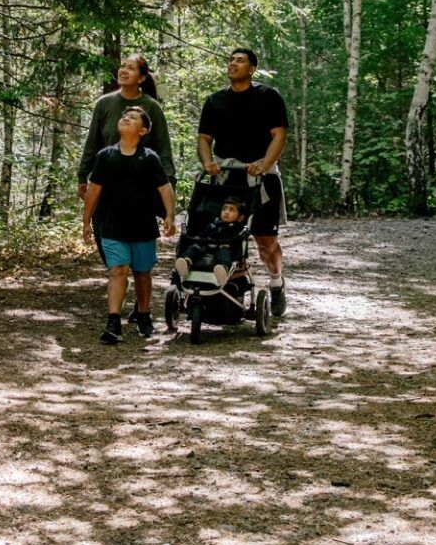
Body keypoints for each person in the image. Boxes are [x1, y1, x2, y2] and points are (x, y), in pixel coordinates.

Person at [196, 47, 290, 317]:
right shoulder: (214, 101)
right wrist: (207, 163)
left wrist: (265, 164)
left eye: (240, 61)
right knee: (223, 235)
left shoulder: (268, 97)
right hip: (226, 175)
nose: (233, 64)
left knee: (265, 240)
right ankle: (229, 293)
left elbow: (279, 135)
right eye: (231, 60)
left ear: (252, 69)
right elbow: (204, 138)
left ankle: (276, 283)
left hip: (262, 175)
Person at [81, 105, 176, 344]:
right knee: (117, 270)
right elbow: (94, 190)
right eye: (124, 115)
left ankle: (144, 314)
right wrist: (86, 221)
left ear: (142, 130)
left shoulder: (150, 158)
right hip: (111, 224)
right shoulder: (105, 156)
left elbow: (165, 188)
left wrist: (170, 216)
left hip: (143, 225)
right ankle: (113, 321)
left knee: (142, 272)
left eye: (132, 118)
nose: (125, 118)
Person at [76, 53, 174, 216]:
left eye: (131, 68)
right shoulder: (104, 103)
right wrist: (82, 175)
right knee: (105, 234)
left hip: (140, 186)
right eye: (122, 66)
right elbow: (92, 142)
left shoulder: (152, 107)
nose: (124, 70)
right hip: (106, 183)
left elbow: (164, 149)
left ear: (141, 78)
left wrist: (170, 184)